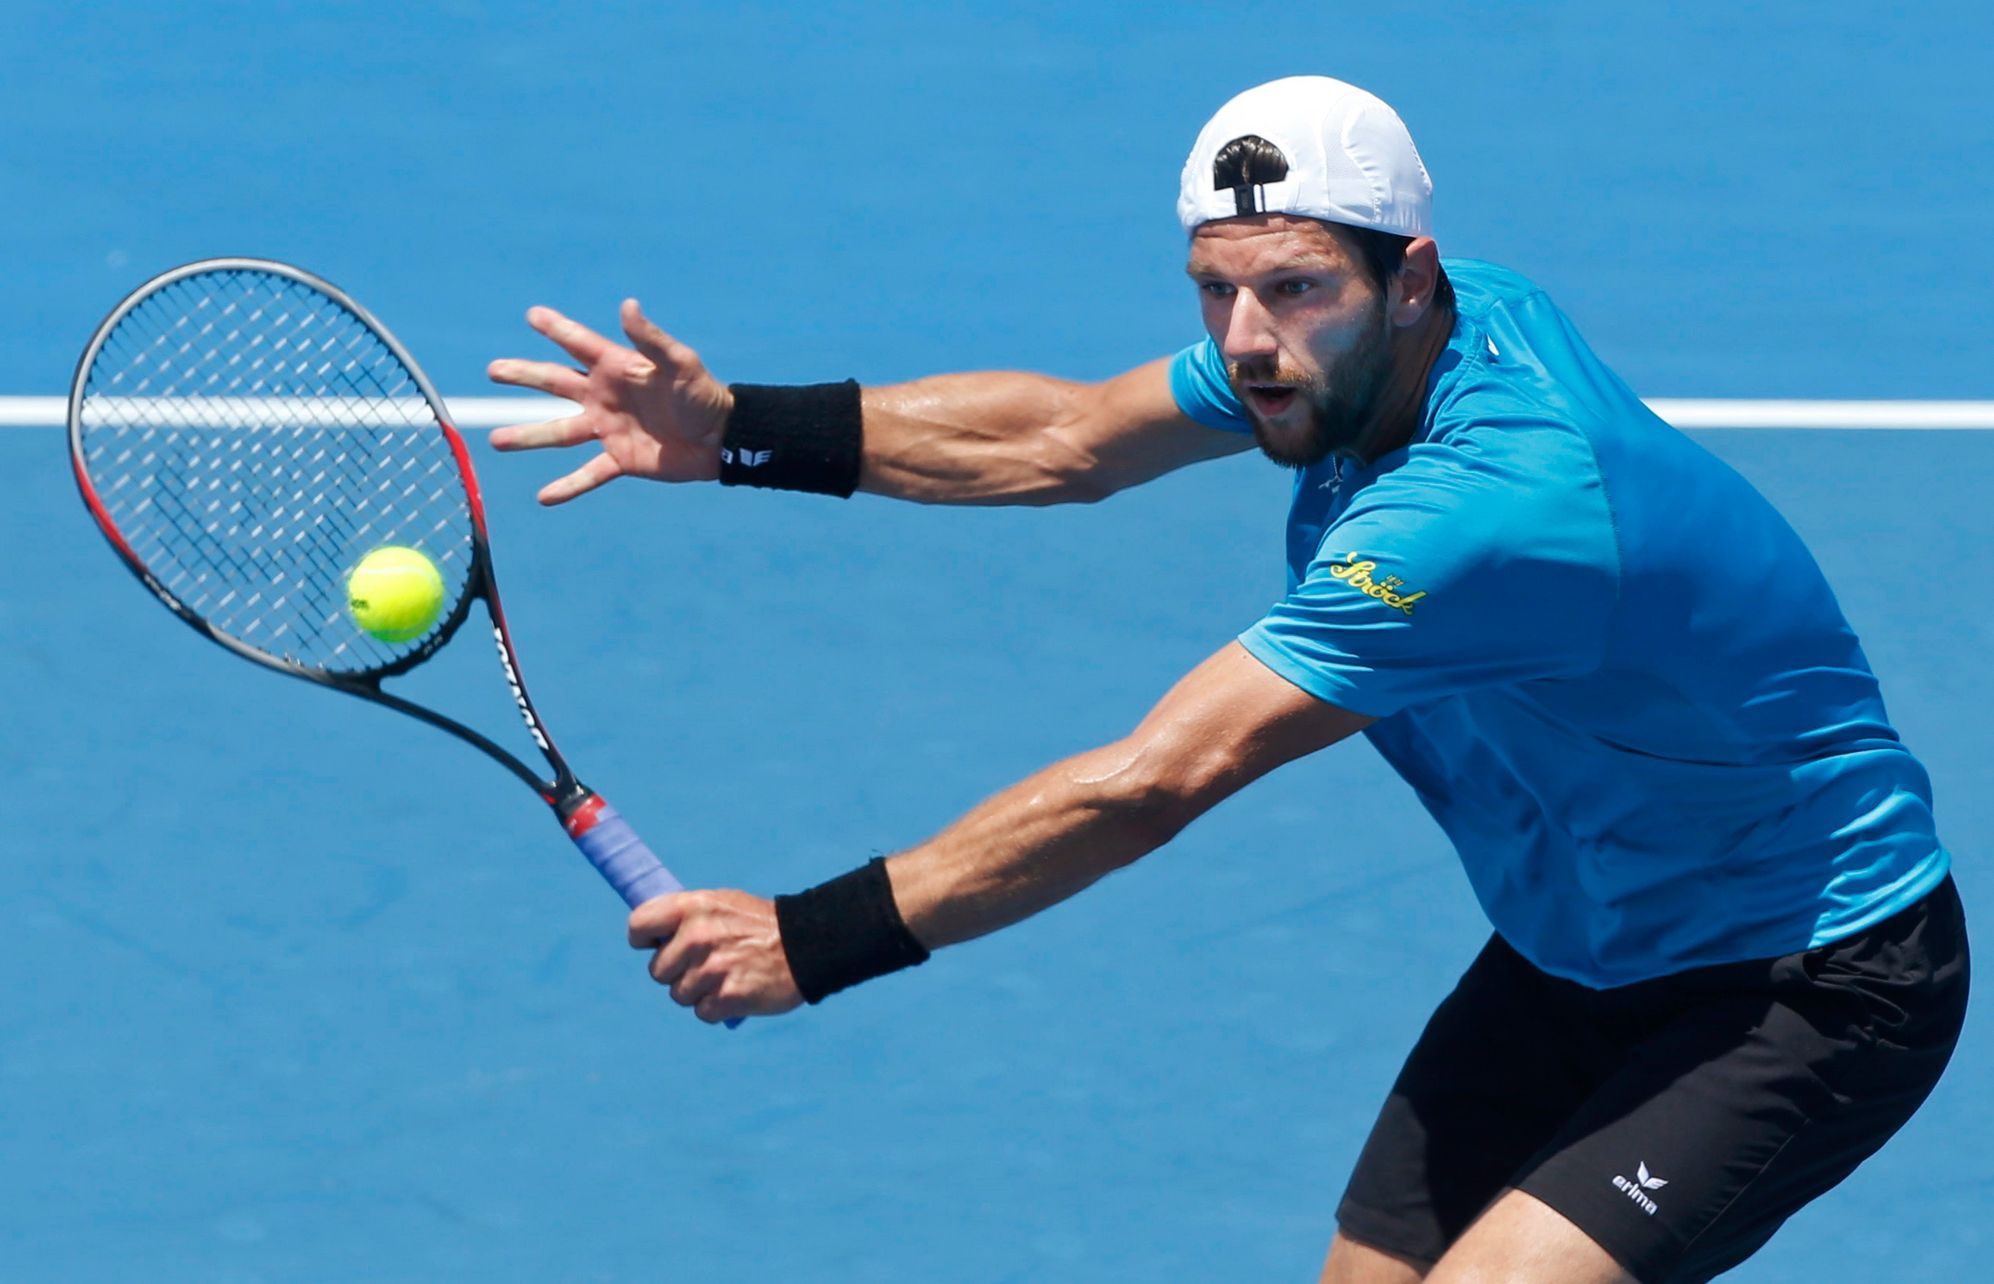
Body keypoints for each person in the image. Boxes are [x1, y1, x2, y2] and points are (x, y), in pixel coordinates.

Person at [485, 76, 1967, 1284]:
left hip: (1803, 976)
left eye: (1294, 291)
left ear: (1409, 282)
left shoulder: (1483, 512)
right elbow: (1062, 438)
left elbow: (1156, 780)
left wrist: (815, 937)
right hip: (1580, 943)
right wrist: (738, 427)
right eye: (1217, 291)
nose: (1249, 342)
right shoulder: (1401, 336)